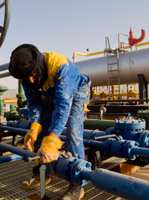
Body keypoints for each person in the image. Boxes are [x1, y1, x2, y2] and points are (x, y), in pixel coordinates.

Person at [9, 44, 91, 200]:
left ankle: (77, 183)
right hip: (50, 93)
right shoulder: (26, 76)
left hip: (77, 90)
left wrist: (53, 140)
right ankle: (41, 172)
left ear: (38, 65)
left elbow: (63, 105)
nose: (31, 80)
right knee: (41, 131)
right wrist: (34, 128)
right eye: (27, 79)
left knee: (73, 129)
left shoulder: (58, 65)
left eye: (33, 75)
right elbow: (33, 102)